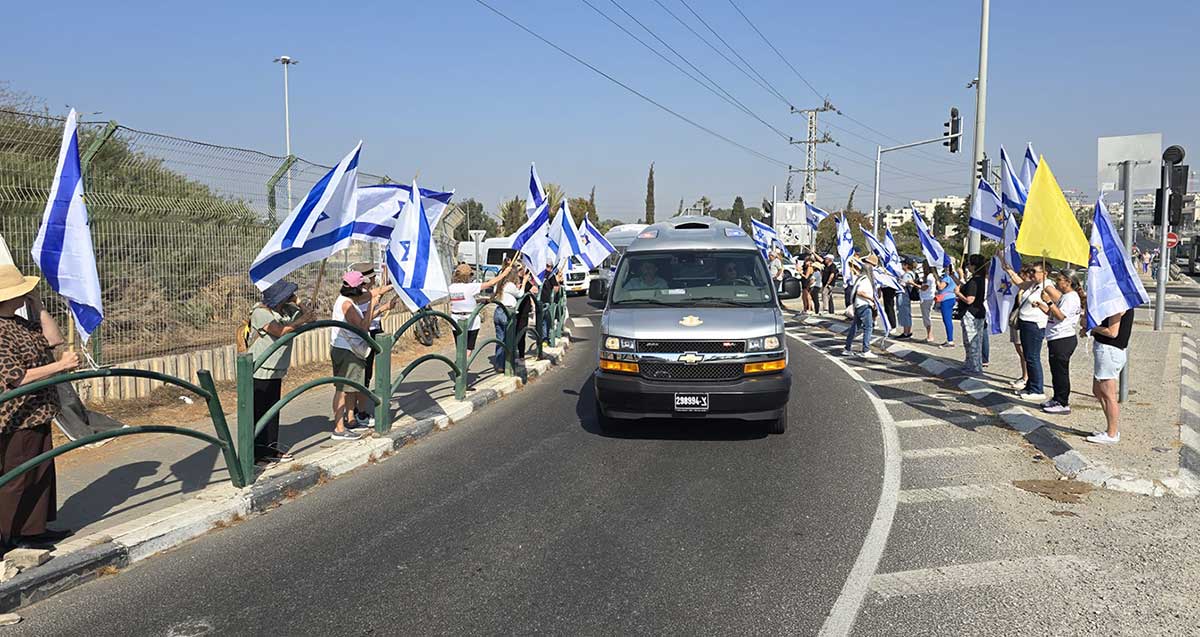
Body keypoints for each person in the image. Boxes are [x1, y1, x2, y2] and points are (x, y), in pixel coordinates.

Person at [0, 264, 80, 550]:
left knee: (39, 472)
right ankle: (7, 536)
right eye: (22, 292)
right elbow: (17, 377)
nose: (25, 295)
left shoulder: (19, 323)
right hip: (16, 416)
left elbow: (53, 339)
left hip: (39, 411)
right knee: (17, 476)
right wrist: (60, 366)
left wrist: (39, 305)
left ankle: (32, 530)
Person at [248, 279, 313, 464]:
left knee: (272, 410)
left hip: (276, 368)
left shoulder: (285, 310)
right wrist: (301, 321)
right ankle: (256, 453)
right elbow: (279, 331)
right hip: (260, 368)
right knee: (259, 411)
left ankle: (270, 448)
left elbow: (311, 317)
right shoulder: (260, 312)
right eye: (287, 294)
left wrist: (299, 302)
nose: (290, 296)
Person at [330, 272, 390, 441]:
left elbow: (373, 293)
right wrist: (372, 305)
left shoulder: (348, 299)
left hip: (347, 349)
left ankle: (350, 420)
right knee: (343, 389)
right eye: (362, 285)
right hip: (347, 350)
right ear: (356, 288)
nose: (365, 288)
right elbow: (363, 326)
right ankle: (339, 429)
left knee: (350, 388)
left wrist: (391, 288)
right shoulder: (347, 305)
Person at [352, 265, 398, 429]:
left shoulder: (366, 293)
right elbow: (365, 318)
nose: (374, 279)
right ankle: (360, 412)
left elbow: (379, 291)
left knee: (367, 373)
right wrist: (383, 307)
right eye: (372, 276)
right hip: (366, 334)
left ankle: (358, 409)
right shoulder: (360, 296)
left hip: (374, 331)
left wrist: (393, 287)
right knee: (363, 374)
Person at [448, 261, 514, 363]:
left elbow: (461, 299)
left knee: (459, 345)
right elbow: (490, 283)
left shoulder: (451, 288)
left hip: (456, 319)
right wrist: (504, 273)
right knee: (469, 346)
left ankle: (461, 362)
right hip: (471, 319)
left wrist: (477, 300)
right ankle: (463, 363)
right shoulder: (470, 287)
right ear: (468, 276)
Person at [1088, 307, 1134, 445]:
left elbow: (1112, 332)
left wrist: (1092, 327)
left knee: (1108, 394)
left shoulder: (1117, 305)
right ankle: (1109, 429)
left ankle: (1112, 433)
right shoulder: (1115, 303)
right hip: (1106, 349)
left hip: (1110, 350)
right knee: (1098, 390)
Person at [1040, 270, 1083, 415]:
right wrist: (1042, 305)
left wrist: (1049, 301)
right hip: (1055, 337)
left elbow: (1060, 316)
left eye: (1059, 280)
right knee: (1055, 371)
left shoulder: (1071, 297)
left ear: (1068, 282)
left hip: (1063, 338)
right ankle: (1057, 397)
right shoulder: (1065, 297)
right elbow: (1053, 312)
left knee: (1061, 372)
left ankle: (1063, 402)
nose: (1056, 283)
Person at [1006, 262, 1050, 401]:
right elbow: (1019, 282)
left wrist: (1044, 303)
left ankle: (1037, 389)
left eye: (1034, 271)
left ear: (1045, 273)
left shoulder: (1048, 286)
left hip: (1035, 325)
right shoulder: (1033, 285)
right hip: (1025, 322)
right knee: (1027, 356)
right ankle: (1030, 386)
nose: (1031, 274)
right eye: (1031, 271)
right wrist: (1007, 267)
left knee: (1032, 357)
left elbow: (1057, 304)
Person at [842, 255, 880, 358]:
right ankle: (865, 350)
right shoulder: (865, 279)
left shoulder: (860, 278)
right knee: (868, 327)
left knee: (855, 327)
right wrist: (871, 299)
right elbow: (860, 292)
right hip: (864, 305)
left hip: (859, 305)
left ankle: (847, 348)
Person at [956, 255, 987, 374]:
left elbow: (969, 300)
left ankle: (975, 367)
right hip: (977, 313)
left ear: (974, 266)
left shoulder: (974, 281)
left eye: (969, 264)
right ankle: (970, 364)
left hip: (971, 313)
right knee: (971, 341)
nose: (968, 266)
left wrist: (958, 294)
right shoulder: (979, 279)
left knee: (972, 341)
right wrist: (957, 276)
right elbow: (964, 286)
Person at [491, 260, 524, 372]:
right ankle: (508, 364)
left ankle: (499, 364)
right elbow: (520, 294)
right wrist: (523, 283)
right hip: (507, 312)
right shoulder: (510, 285)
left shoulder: (499, 283)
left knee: (500, 339)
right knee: (509, 339)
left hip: (498, 311)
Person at [538, 261, 563, 344]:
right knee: (544, 320)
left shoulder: (543, 274)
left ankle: (543, 339)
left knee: (543, 320)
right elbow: (556, 288)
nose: (549, 268)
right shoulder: (547, 274)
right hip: (544, 300)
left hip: (543, 300)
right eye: (548, 266)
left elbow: (556, 287)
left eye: (549, 266)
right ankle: (544, 338)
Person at [935, 264, 958, 349]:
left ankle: (950, 340)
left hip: (946, 299)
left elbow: (941, 287)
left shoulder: (947, 277)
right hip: (952, 297)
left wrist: (937, 279)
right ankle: (949, 339)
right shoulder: (955, 276)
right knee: (948, 319)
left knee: (947, 319)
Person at [896, 259, 915, 339]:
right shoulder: (910, 273)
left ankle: (906, 332)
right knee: (905, 313)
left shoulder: (907, 275)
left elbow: (904, 284)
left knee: (904, 313)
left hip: (904, 295)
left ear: (906, 265)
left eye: (903, 264)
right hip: (905, 295)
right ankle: (907, 331)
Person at [918, 263, 937, 342]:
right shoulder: (929, 276)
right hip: (925, 298)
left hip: (927, 298)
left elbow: (925, 288)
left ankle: (930, 335)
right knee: (926, 316)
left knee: (926, 317)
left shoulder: (930, 276)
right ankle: (929, 334)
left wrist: (914, 284)